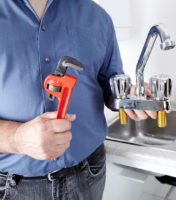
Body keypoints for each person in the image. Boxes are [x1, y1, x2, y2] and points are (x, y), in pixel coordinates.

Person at [0, 0, 157, 199]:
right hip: (12, 184)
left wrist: (128, 97)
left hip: (88, 174)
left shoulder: (97, 17)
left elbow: (110, 83)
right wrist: (16, 138)